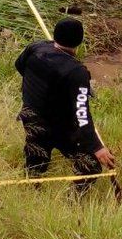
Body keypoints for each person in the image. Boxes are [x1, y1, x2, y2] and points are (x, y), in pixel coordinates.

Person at [15, 18, 116, 194]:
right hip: (60, 128)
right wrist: (97, 148)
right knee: (91, 167)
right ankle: (72, 201)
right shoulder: (77, 72)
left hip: (31, 118)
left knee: (35, 164)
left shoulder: (36, 48)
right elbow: (82, 114)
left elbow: (19, 66)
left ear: (55, 35)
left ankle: (31, 191)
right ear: (79, 41)